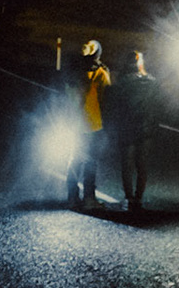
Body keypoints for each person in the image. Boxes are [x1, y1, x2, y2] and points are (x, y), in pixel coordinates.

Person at [107, 50, 164, 212]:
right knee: (142, 165)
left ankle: (129, 198)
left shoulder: (122, 83)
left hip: (127, 128)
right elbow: (160, 104)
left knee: (127, 164)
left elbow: (114, 105)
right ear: (140, 63)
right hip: (146, 128)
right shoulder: (153, 82)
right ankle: (138, 198)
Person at [68, 40, 111, 209]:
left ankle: (72, 198)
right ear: (98, 54)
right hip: (93, 123)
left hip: (73, 122)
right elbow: (106, 97)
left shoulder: (73, 71)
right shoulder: (100, 72)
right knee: (91, 161)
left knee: (74, 160)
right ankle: (89, 199)